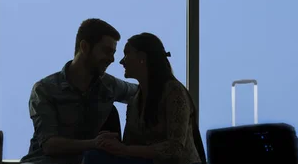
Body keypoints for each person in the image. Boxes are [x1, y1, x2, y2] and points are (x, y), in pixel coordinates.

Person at [20, 18, 139, 164]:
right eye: (107, 51)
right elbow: (49, 145)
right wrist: (94, 143)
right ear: (85, 47)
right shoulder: (44, 89)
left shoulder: (109, 85)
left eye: (113, 53)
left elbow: (143, 91)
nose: (112, 59)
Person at [81, 32, 206, 164]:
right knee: (94, 155)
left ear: (142, 57)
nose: (122, 61)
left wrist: (125, 150)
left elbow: (174, 148)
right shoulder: (134, 100)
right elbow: (129, 146)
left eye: (127, 54)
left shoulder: (174, 91)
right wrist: (112, 146)